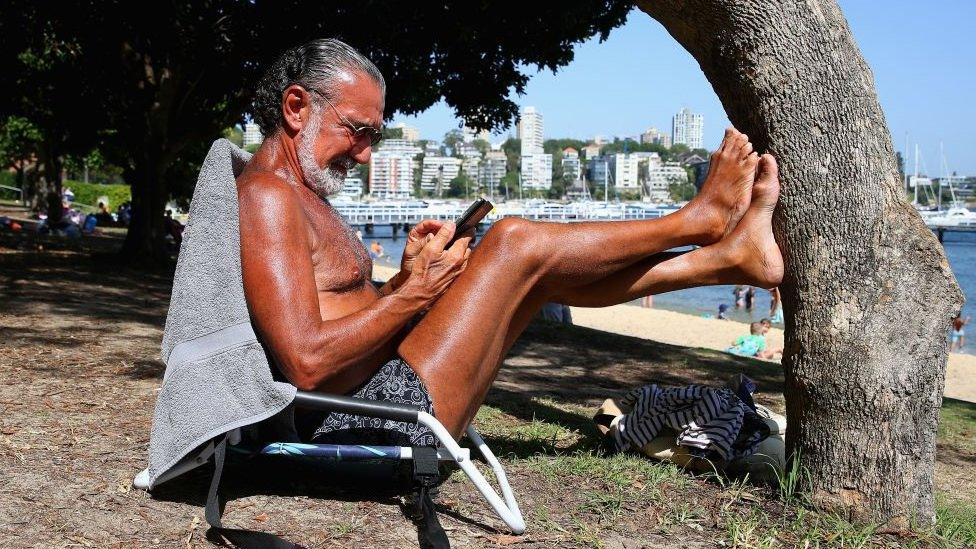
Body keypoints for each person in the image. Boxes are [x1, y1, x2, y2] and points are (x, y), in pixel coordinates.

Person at [236, 38, 783, 447]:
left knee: (539, 272)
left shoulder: (299, 194)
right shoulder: (267, 195)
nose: (364, 155)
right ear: (296, 108)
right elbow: (306, 363)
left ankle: (724, 258)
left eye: (374, 137)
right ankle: (697, 223)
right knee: (514, 240)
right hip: (362, 420)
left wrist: (405, 278)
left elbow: (331, 318)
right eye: (358, 130)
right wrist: (415, 296)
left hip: (380, 394)